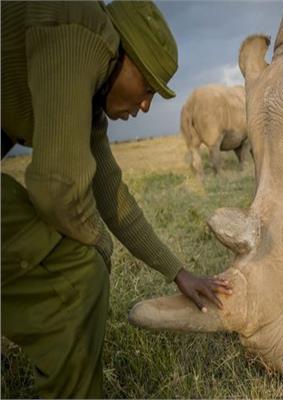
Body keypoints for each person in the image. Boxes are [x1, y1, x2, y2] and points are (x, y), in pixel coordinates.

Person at [1, 1, 232, 397]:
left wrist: (177, 271)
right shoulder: (77, 30)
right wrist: (99, 243)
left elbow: (112, 195)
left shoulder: (88, 94)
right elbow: (56, 188)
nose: (144, 106)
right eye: (146, 87)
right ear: (120, 55)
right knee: (79, 270)